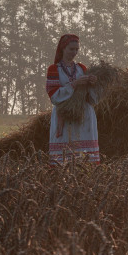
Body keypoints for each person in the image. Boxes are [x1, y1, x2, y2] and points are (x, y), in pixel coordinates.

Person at [46, 34, 99, 164]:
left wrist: (93, 84)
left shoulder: (82, 68)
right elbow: (54, 96)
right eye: (71, 49)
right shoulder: (54, 70)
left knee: (85, 159)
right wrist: (74, 84)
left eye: (77, 49)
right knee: (64, 159)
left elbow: (92, 99)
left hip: (83, 116)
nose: (74, 53)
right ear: (63, 48)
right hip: (64, 116)